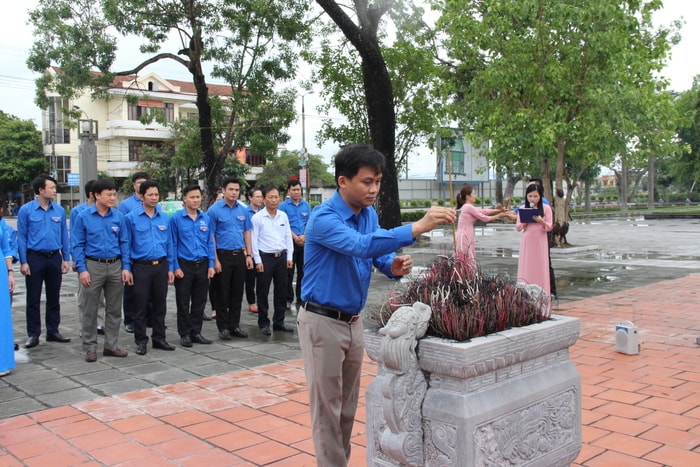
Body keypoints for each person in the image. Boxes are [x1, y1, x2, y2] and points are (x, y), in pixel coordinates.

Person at [298, 144, 456, 466]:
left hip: (352, 322)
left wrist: (391, 265)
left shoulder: (367, 214)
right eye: (366, 182)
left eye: (378, 182)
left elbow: (375, 251)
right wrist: (416, 227)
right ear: (343, 181)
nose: (373, 189)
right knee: (326, 410)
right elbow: (359, 246)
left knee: (346, 408)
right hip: (322, 323)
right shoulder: (324, 219)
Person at [71, 178, 130, 362]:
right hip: (92, 265)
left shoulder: (118, 217)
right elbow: (78, 244)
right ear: (96, 195)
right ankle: (90, 347)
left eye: (114, 194)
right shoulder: (84, 217)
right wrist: (82, 269)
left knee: (114, 309)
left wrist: (126, 267)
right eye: (109, 194)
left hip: (115, 265)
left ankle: (111, 345)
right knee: (90, 308)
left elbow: (124, 243)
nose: (113, 197)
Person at [17, 174, 71, 349]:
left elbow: (64, 235)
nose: (54, 191)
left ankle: (53, 330)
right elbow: (22, 238)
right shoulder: (26, 210)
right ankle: (33, 334)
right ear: (41, 190)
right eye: (51, 188)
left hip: (54, 257)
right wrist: (24, 261)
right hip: (35, 258)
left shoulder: (59, 211)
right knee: (33, 297)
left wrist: (66, 258)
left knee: (54, 297)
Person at [123, 180, 175, 355]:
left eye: (156, 195)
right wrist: (127, 268)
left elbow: (169, 244)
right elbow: (126, 245)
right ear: (142, 196)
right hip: (141, 268)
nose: (154, 198)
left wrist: (170, 268)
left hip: (160, 266)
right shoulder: (131, 218)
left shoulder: (164, 217)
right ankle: (141, 340)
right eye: (150, 195)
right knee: (140, 306)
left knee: (160, 305)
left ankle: (159, 338)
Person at [169, 184, 215, 348]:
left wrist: (211, 264)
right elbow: (173, 244)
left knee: (200, 301)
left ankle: (196, 332)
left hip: (202, 264)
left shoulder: (206, 219)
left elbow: (210, 242)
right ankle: (185, 334)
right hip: (184, 265)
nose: (195, 200)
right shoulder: (176, 219)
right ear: (184, 199)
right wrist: (175, 267)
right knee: (183, 302)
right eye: (192, 197)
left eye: (197, 197)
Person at [207, 177, 253, 340]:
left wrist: (249, 254)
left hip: (239, 255)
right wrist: (215, 259)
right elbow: (210, 235)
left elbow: (247, 232)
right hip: (222, 256)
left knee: (237, 293)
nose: (234, 193)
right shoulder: (214, 210)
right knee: (222, 293)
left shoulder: (243, 210)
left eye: (237, 190)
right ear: (223, 190)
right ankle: (223, 327)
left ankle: (235, 325)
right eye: (231, 189)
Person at [251, 186, 294, 336]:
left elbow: (288, 236)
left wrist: (289, 256)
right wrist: (257, 260)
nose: (274, 200)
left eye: (276, 197)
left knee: (281, 290)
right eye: (270, 197)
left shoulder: (283, 216)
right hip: (265, 258)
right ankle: (263, 323)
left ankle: (279, 321)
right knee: (262, 291)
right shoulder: (257, 218)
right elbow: (253, 240)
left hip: (281, 257)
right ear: (263, 199)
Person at [71, 180, 106, 337]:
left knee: (102, 297)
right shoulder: (79, 212)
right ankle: (84, 326)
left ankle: (99, 323)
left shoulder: (110, 212)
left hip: (104, 260)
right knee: (85, 296)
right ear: (94, 194)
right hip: (87, 260)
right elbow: (75, 238)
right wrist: (77, 261)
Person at [119, 171, 149, 333]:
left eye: (145, 182)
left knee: (150, 291)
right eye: (139, 182)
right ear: (134, 185)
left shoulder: (154, 203)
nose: (141, 184)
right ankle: (129, 319)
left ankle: (149, 318)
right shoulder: (126, 205)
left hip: (149, 253)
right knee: (131, 290)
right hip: (133, 253)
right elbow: (124, 232)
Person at [516, 183, 553, 313]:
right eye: (530, 196)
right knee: (527, 267)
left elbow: (550, 226)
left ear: (540, 196)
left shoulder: (546, 208)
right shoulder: (522, 207)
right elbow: (518, 227)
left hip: (540, 240)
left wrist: (541, 221)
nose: (532, 199)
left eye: (535, 196)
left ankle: (543, 303)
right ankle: (524, 302)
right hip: (527, 240)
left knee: (540, 267)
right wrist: (526, 219)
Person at [454, 184, 509, 268]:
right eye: (474, 194)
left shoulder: (467, 207)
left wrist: (499, 210)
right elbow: (484, 218)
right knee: (466, 259)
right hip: (464, 235)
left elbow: (484, 211)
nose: (475, 196)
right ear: (468, 196)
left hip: (465, 234)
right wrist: (499, 215)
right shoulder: (468, 207)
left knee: (466, 258)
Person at [279, 179, 310, 314]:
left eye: (298, 189)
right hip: (289, 242)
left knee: (303, 272)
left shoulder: (306, 206)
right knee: (289, 272)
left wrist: (303, 236)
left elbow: (310, 222)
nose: (296, 192)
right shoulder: (283, 207)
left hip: (304, 242)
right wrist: (294, 237)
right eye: (294, 190)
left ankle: (301, 298)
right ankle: (288, 298)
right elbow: (283, 225)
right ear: (289, 191)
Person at [0, 201, 16, 376]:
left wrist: (10, 273)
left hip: (1, 272)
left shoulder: (2, 225)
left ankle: (2, 362)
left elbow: (6, 249)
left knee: (2, 316)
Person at [244, 187, 264, 313]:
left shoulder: (263, 212)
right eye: (257, 196)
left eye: (261, 196)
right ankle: (251, 302)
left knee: (262, 278)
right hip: (248, 250)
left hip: (262, 249)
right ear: (250, 197)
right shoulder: (245, 212)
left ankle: (261, 301)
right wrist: (246, 252)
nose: (260, 199)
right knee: (250, 279)